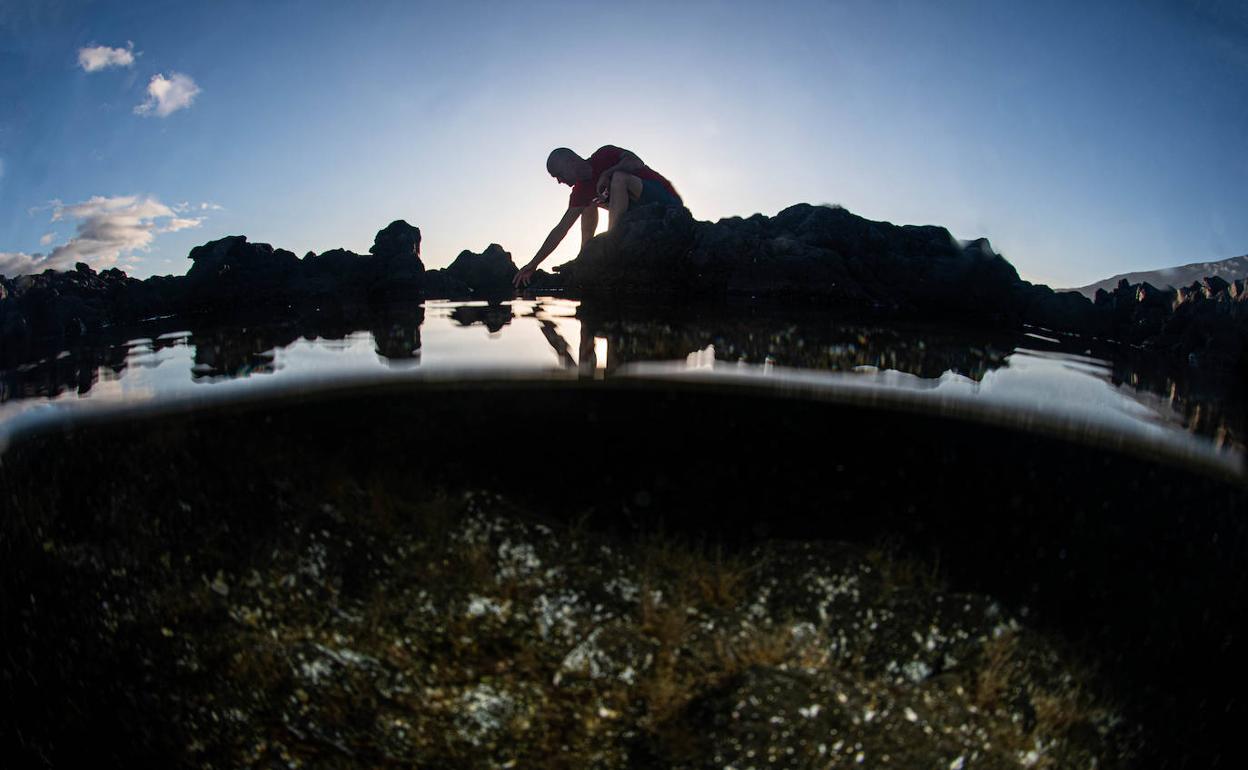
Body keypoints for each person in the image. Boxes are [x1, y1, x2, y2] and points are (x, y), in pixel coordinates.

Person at [513, 145, 683, 288]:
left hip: (665, 201)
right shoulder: (579, 192)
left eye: (558, 174)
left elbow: (635, 161)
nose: (559, 181)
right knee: (587, 204)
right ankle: (584, 253)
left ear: (570, 163)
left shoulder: (604, 154)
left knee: (619, 178)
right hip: (638, 215)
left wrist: (607, 173)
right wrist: (534, 263)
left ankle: (613, 240)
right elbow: (560, 229)